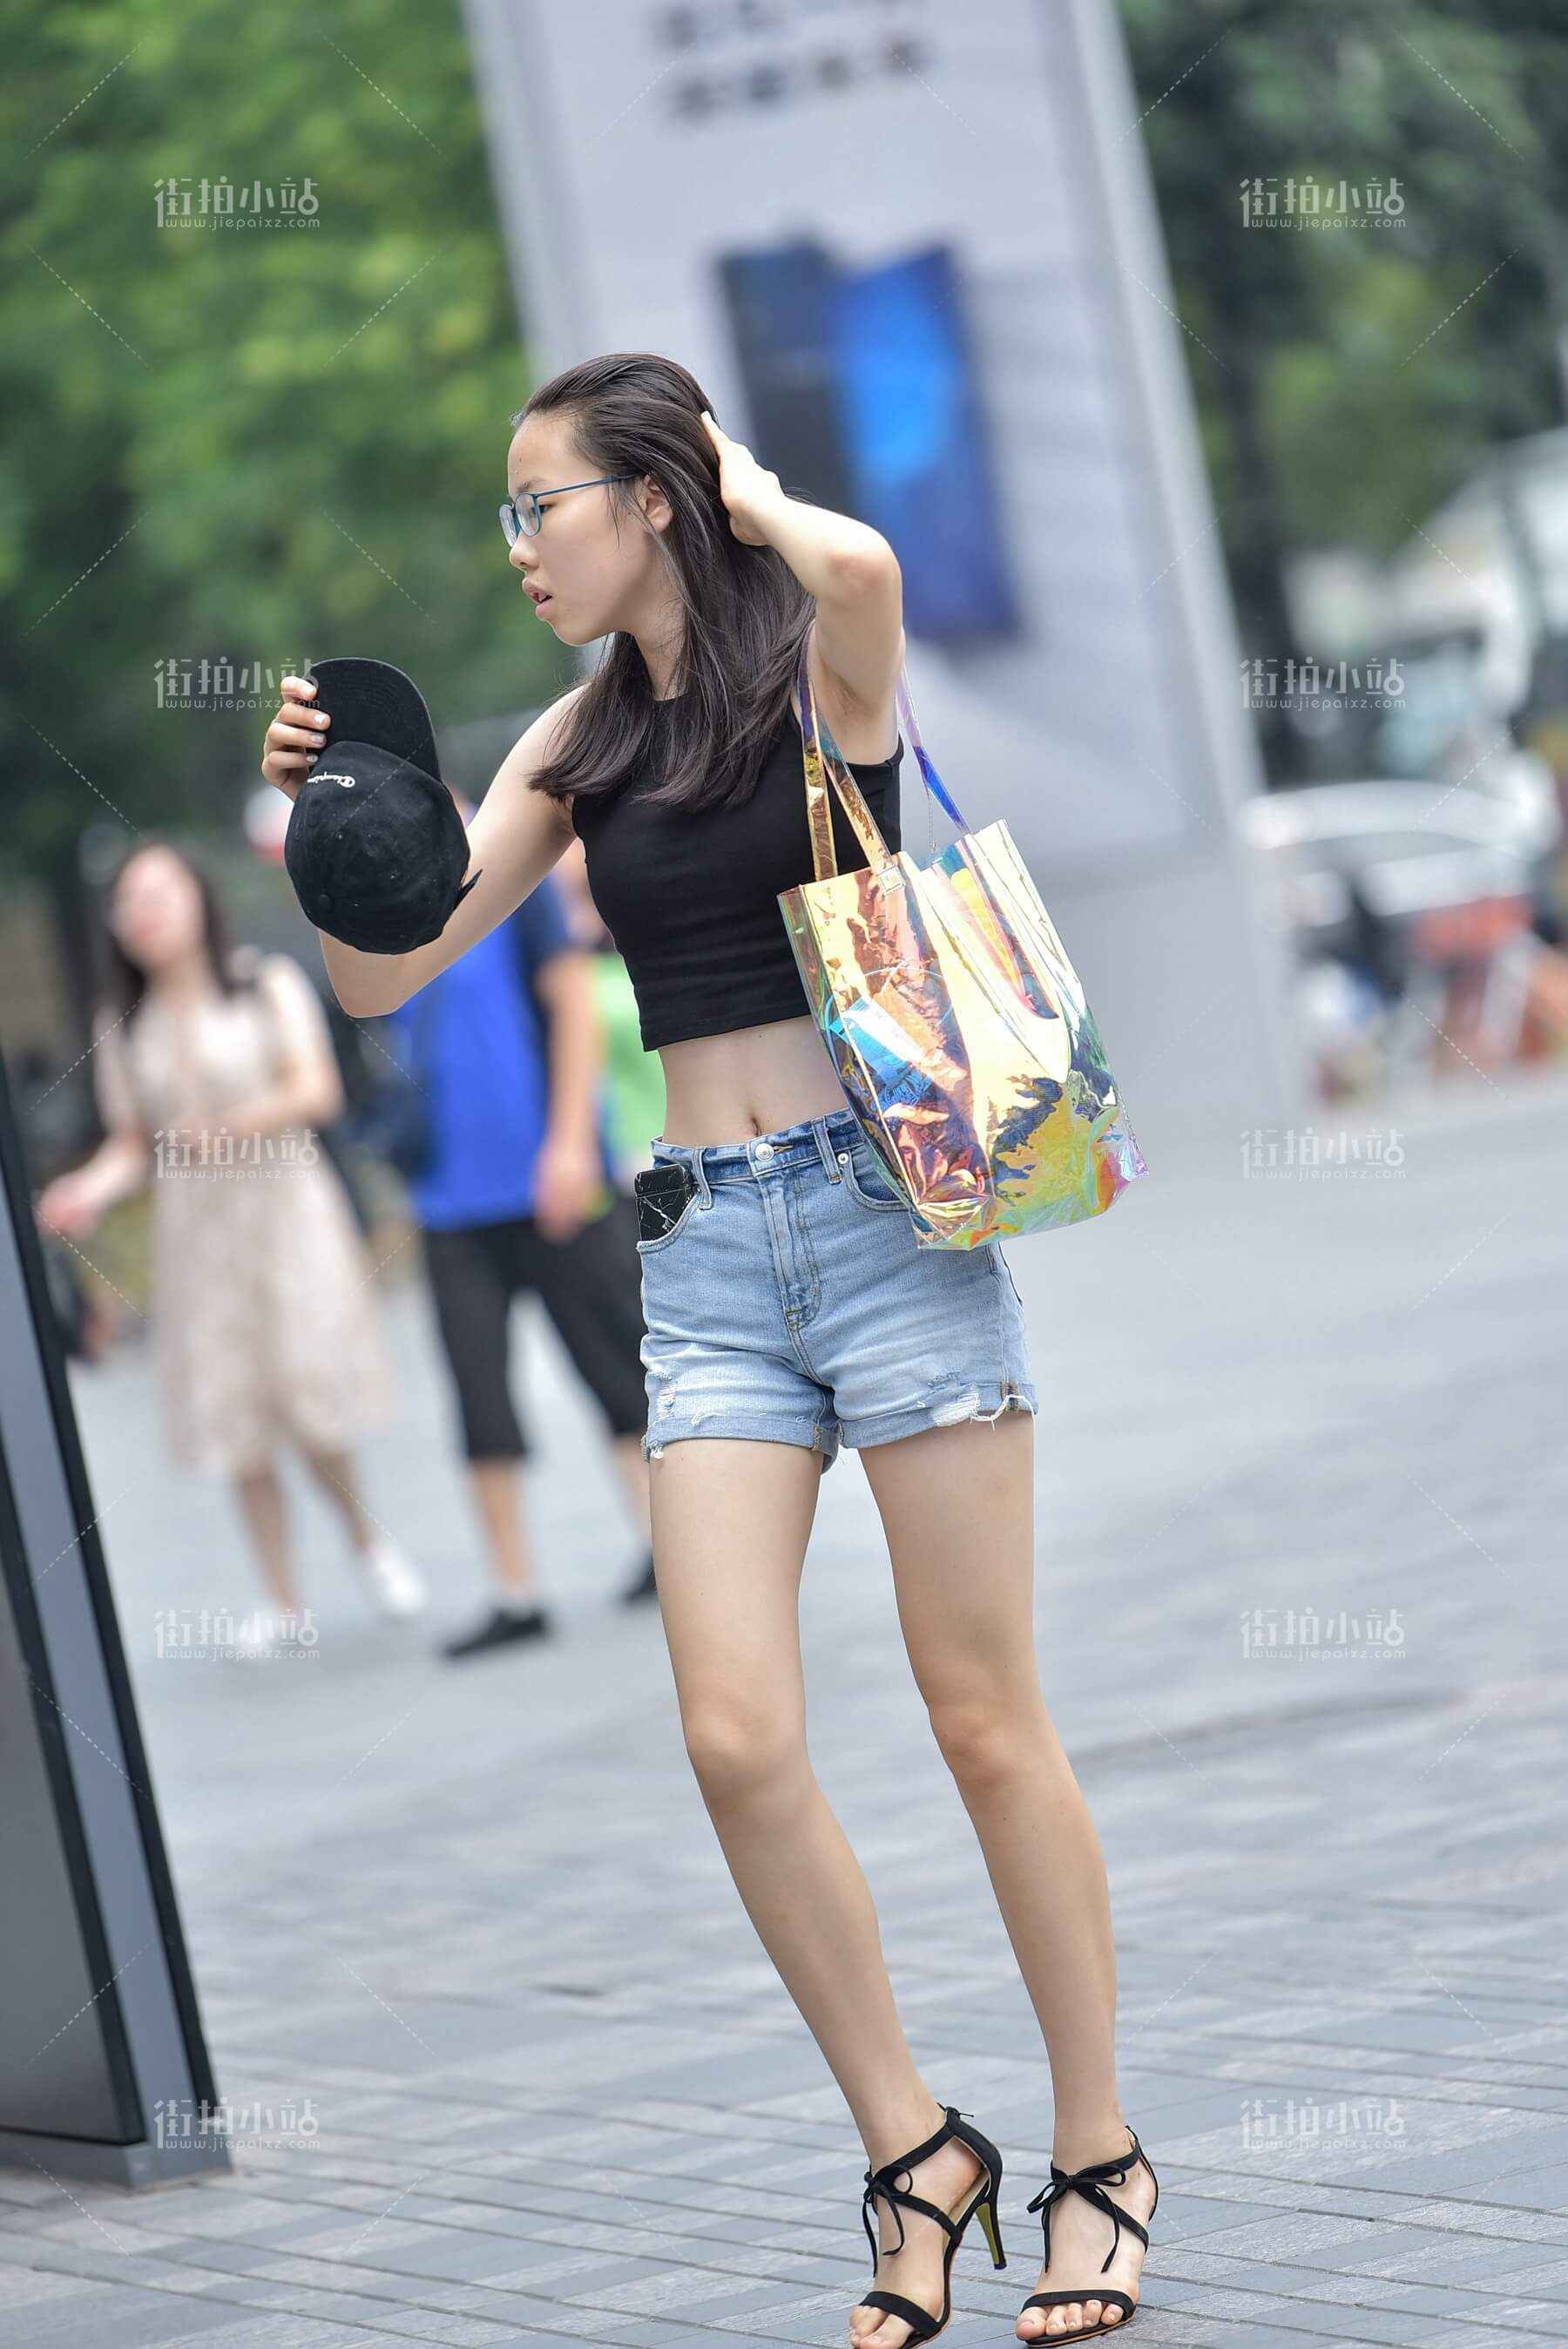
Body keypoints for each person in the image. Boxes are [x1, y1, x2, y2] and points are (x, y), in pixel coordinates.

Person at [260, 354, 1158, 2348]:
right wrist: (330, 819)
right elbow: (386, 969)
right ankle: (915, 2148)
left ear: (653, 500)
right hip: (706, 1253)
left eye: (543, 505)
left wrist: (743, 482)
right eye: (507, 516)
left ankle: (1099, 2151)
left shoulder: (818, 672)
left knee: (982, 1717)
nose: (519, 548)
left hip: (893, 1220)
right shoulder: (578, 738)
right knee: (735, 1734)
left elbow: (864, 568)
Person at [36, 838, 427, 1648]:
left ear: (198, 899)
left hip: (286, 1215)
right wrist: (86, 1192)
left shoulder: (263, 983)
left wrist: (229, 1127)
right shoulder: (124, 1022)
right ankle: (282, 1599)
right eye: (128, 902)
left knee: (310, 1394)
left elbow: (316, 1090)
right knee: (234, 1412)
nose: (142, 914)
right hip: (198, 1236)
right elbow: (132, 1142)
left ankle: (368, 1543)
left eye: (158, 894)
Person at [382, 814, 654, 1657]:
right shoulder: (376, 902)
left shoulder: (507, 877)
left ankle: (671, 1546)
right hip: (448, 1202)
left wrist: (570, 1143)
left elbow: (573, 1005)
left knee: (618, 1365)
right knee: (478, 1394)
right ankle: (516, 1591)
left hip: (551, 1180)